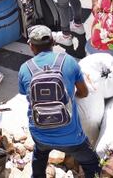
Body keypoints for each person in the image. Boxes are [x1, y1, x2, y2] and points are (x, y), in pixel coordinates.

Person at [18, 25, 100, 178]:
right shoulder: (68, 61)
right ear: (53, 42)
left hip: (40, 134)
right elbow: (84, 92)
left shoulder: (24, 69)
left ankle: (37, 175)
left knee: (40, 154)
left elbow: (26, 95)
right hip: (71, 136)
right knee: (92, 164)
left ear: (31, 46)